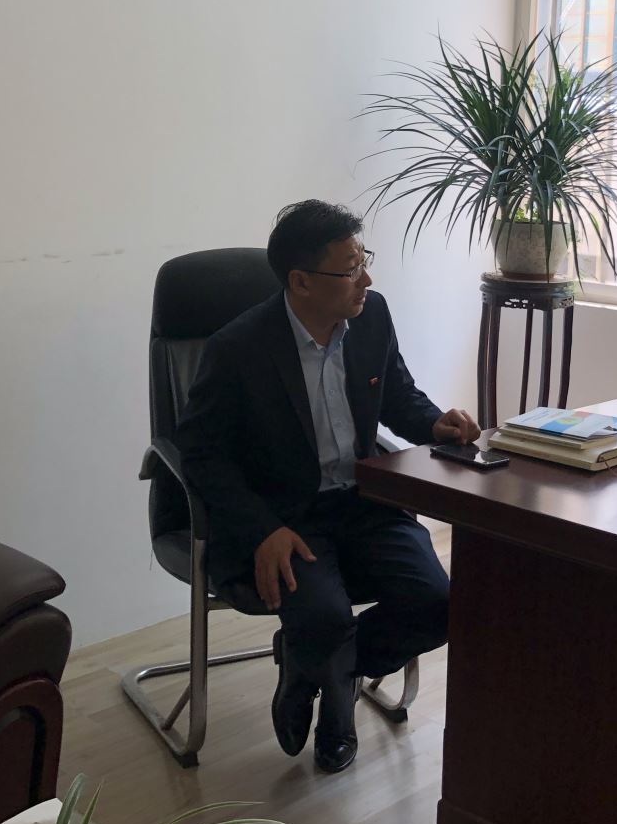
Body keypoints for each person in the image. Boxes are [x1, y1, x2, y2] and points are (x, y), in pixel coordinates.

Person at [177, 200, 479, 773]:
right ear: (301, 281)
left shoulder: (372, 316)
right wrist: (263, 530)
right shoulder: (238, 348)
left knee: (441, 606)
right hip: (287, 517)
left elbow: (396, 395)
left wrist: (434, 423)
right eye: (351, 268)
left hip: (364, 502)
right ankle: (337, 711)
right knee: (324, 617)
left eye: (365, 261)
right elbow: (202, 454)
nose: (367, 279)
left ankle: (314, 668)